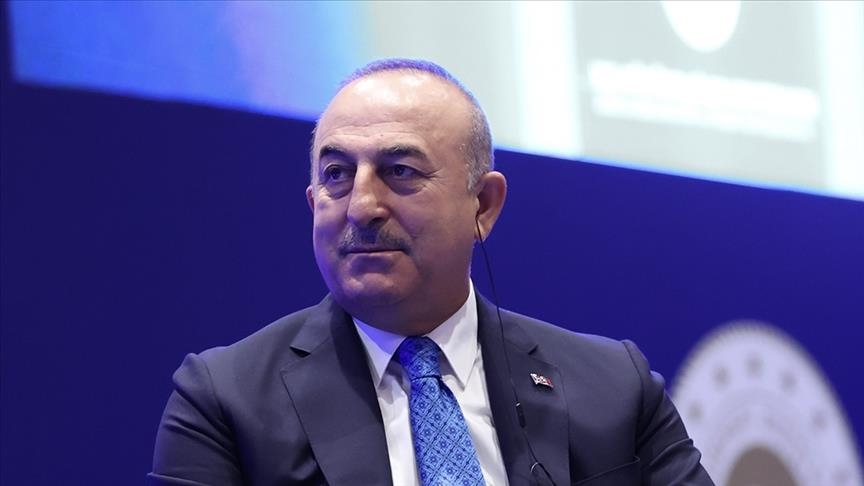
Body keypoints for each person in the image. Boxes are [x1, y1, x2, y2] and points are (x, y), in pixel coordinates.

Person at [149, 59, 713, 486]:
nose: (361, 206)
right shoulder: (225, 402)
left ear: (483, 206)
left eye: (399, 170)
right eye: (337, 174)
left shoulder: (614, 389)